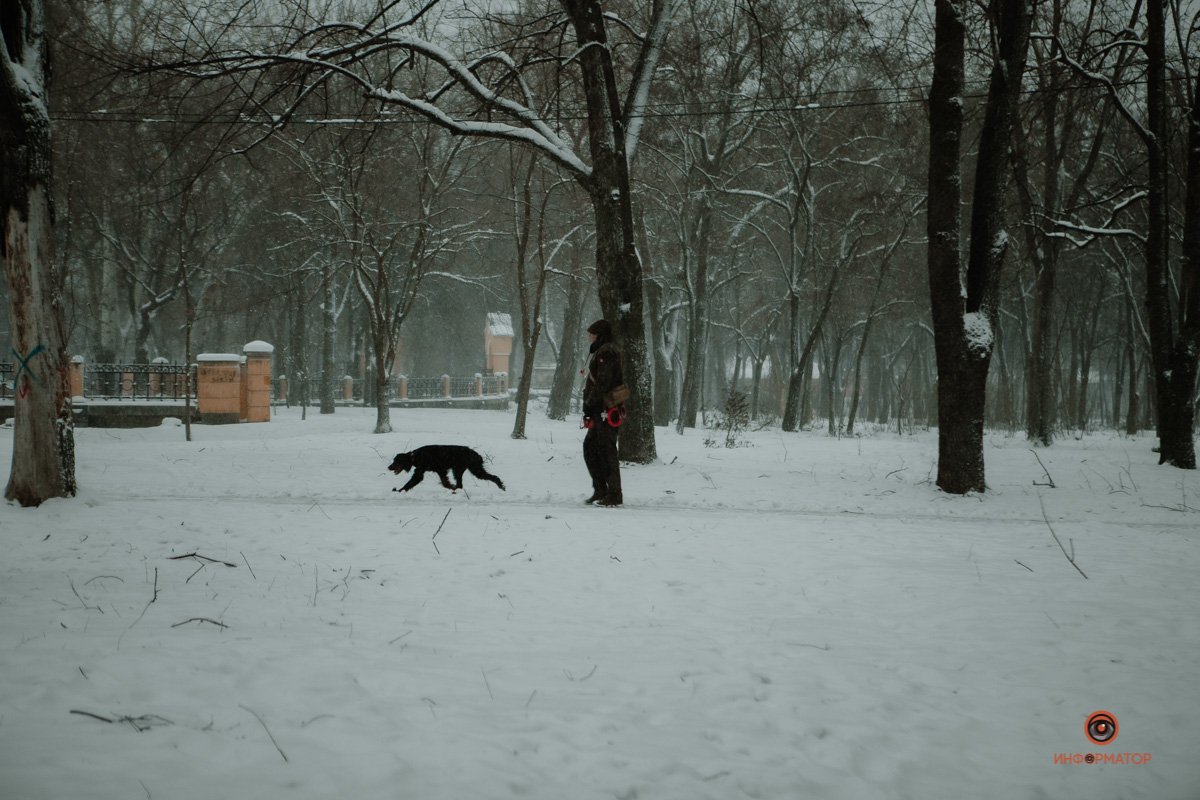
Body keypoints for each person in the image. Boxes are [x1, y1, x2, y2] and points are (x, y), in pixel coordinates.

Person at [581, 319, 624, 506]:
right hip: (600, 409)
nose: (589, 337)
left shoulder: (607, 352)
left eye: (591, 333)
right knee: (591, 448)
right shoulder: (601, 351)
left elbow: (603, 382)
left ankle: (614, 494)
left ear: (599, 334)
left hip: (607, 410)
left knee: (606, 451)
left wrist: (590, 403)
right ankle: (600, 490)